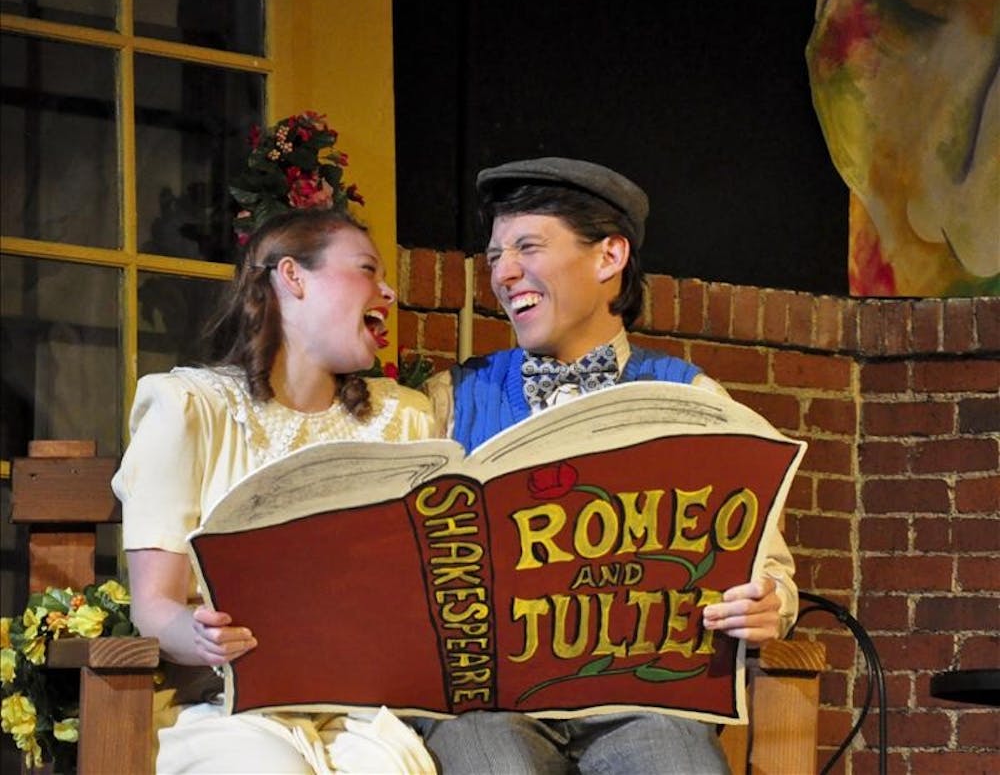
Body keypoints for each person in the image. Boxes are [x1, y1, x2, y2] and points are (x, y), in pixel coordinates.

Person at [419, 157, 797, 774]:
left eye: (528, 247)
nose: (504, 272)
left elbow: (766, 565)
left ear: (608, 257)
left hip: (642, 701)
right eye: (494, 256)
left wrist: (765, 602)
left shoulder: (692, 401)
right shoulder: (451, 399)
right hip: (489, 705)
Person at [112, 207, 437, 774]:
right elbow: (154, 607)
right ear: (293, 278)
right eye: (366, 268)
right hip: (225, 707)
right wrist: (195, 634)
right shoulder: (191, 409)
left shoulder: (404, 421)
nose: (386, 290)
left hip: (356, 713)